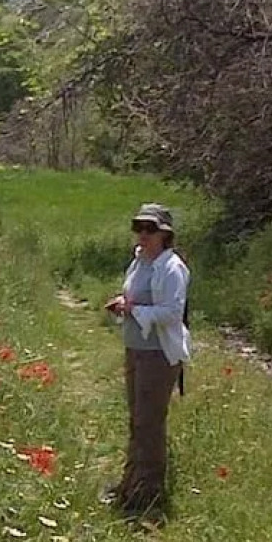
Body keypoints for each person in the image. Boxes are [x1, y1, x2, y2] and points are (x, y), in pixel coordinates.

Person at [102, 204, 191, 516]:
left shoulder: (171, 268)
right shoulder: (139, 261)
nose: (142, 233)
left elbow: (171, 312)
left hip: (158, 355)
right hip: (136, 349)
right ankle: (130, 483)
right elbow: (136, 298)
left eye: (149, 228)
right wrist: (123, 304)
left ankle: (148, 492)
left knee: (149, 423)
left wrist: (133, 311)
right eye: (138, 226)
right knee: (137, 419)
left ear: (164, 233)